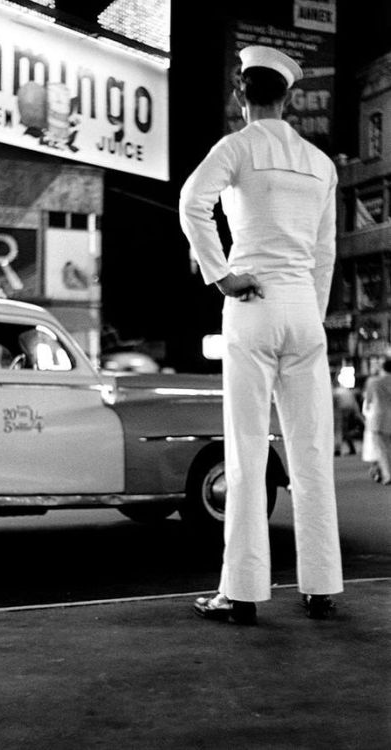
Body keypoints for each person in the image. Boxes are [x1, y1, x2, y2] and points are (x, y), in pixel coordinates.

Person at [179, 45, 343, 624]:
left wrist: (222, 275)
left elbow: (191, 204)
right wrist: (311, 312)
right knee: (312, 450)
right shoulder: (321, 164)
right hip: (303, 308)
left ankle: (243, 592)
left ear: (239, 94)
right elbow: (325, 252)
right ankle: (320, 586)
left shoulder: (236, 147)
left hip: (251, 305)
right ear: (290, 97)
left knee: (247, 450)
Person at [362, 359, 391, 485]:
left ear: (383, 368)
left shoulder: (373, 382)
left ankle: (388, 474)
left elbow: (368, 401)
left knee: (382, 449)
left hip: (380, 419)